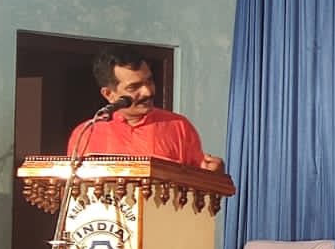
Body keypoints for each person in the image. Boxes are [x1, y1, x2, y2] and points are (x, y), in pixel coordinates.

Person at [68, 48, 223, 171]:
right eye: (134, 87)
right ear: (109, 94)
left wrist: (214, 176)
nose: (147, 92)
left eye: (149, 81)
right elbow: (70, 190)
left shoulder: (179, 126)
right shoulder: (86, 133)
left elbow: (201, 187)